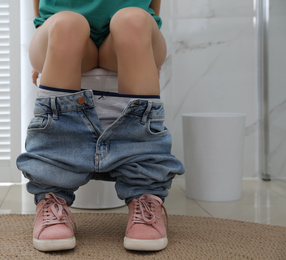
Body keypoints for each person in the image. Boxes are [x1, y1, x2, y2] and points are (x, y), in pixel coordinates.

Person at [16, 0, 185, 252]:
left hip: (134, 33)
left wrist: (150, 38)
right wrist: (45, 37)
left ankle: (145, 195)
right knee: (67, 24)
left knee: (133, 20)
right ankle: (52, 197)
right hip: (59, 32)